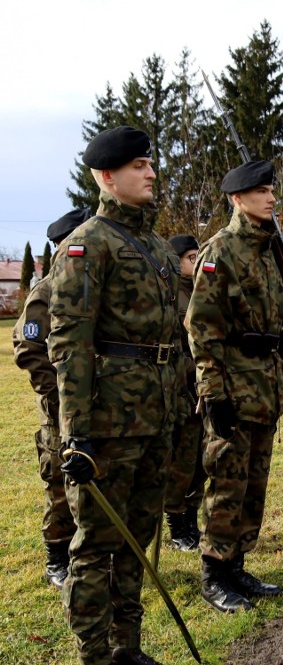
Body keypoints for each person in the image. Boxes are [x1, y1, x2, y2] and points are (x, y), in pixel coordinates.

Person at [49, 126, 184, 665]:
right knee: (97, 545)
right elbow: (71, 341)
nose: (151, 172)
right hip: (107, 423)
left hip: (156, 415)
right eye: (138, 166)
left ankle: (128, 646)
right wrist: (75, 432)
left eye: (150, 163)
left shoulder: (154, 245)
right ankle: (95, 655)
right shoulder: (87, 245)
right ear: (107, 177)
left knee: (138, 540)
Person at [187, 160, 283, 612]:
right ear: (237, 199)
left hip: (265, 389)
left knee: (254, 484)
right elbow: (201, 328)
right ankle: (214, 572)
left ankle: (238, 564)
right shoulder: (221, 250)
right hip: (232, 389)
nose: (271, 198)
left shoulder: (267, 251)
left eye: (271, 191)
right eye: (262, 191)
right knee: (227, 485)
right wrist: (212, 394)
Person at [12, 207, 89, 589]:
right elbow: (27, 348)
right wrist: (59, 392)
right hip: (60, 412)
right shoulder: (46, 291)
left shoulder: (87, 286)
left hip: (93, 407)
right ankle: (56, 557)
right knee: (59, 484)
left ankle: (86, 552)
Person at [162, 234, 206, 551]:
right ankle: (176, 524)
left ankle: (191, 519)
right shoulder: (168, 295)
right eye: (191, 257)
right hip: (183, 391)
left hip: (206, 387)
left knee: (202, 461)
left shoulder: (202, 291)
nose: (197, 262)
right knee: (182, 461)